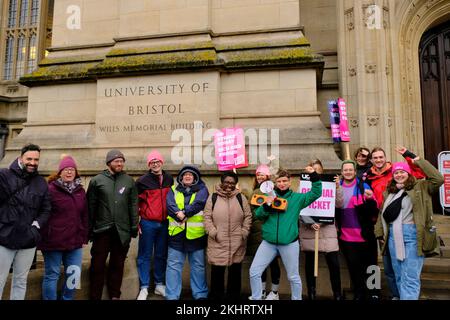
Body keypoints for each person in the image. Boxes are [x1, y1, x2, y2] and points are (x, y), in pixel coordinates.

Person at [375, 153, 443, 300]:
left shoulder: (421, 186)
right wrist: (380, 234)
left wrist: (415, 159)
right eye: (396, 172)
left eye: (402, 172)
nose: (399, 175)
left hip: (413, 235)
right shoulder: (390, 192)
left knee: (410, 276)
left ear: (408, 173)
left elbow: (438, 178)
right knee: (399, 275)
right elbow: (382, 214)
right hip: (392, 235)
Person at [249, 167, 322, 300]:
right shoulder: (267, 196)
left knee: (293, 277)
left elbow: (316, 193)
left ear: (290, 182)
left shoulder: (297, 199)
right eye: (279, 181)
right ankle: (256, 298)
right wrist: (267, 205)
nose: (282, 184)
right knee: (254, 272)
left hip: (289, 243)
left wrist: (314, 175)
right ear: (275, 183)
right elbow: (259, 215)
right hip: (268, 243)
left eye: (284, 181)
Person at [365, 146, 425, 299]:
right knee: (390, 269)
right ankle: (396, 295)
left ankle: (405, 295)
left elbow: (419, 173)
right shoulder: (367, 177)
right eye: (375, 157)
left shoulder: (396, 173)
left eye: (381, 157)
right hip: (382, 225)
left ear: (385, 158)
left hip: (405, 225)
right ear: (371, 160)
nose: (378, 160)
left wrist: (408, 155)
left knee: (408, 271)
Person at [0, 143, 51, 300]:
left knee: (21, 282)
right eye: (29, 158)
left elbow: (46, 209)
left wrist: (36, 227)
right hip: (4, 238)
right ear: (20, 158)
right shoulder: (4, 176)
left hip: (28, 241)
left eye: (36, 160)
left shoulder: (41, 182)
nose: (33, 163)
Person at [87, 149, 138, 300]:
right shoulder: (97, 180)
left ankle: (115, 295)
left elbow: (133, 205)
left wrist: (133, 226)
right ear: (109, 163)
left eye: (122, 161)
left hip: (122, 232)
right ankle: (94, 296)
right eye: (117, 161)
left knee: (117, 265)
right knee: (97, 266)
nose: (120, 163)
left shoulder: (129, 181)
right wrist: (89, 230)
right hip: (102, 231)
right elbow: (90, 206)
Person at [38, 155, 88, 300]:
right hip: (53, 241)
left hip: (75, 241)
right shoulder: (50, 189)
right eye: (66, 169)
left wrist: (84, 236)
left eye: (72, 169)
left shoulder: (80, 191)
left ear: (76, 172)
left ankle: (67, 298)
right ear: (60, 172)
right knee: (52, 274)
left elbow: (85, 216)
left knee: (74, 273)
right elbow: (43, 213)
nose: (69, 172)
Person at [204, 171, 252, 300]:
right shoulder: (213, 197)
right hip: (217, 241)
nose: (229, 185)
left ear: (235, 184)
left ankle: (233, 297)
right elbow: (207, 217)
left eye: (232, 182)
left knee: (235, 273)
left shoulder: (241, 198)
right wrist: (213, 232)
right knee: (217, 273)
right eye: (226, 182)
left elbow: (248, 216)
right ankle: (216, 296)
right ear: (222, 182)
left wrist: (244, 232)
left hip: (237, 241)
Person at [298, 159, 342, 300]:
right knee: (310, 266)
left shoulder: (330, 185)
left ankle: (337, 294)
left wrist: (337, 187)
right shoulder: (303, 186)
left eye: (317, 169)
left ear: (322, 171)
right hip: (309, 231)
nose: (315, 172)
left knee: (334, 265)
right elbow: (300, 208)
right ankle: (311, 293)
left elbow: (339, 205)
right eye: (312, 170)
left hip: (327, 232)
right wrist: (311, 222)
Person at [165, 165, 209, 300]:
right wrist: (178, 214)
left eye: (191, 174)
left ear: (195, 177)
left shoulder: (202, 189)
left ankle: (200, 294)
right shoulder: (173, 189)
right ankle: (172, 295)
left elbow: (199, 203)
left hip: (196, 235)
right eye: (185, 175)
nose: (188, 176)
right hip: (176, 235)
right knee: (173, 267)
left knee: (198, 267)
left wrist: (184, 213)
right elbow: (170, 205)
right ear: (181, 178)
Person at [335, 160, 377, 300]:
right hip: (346, 237)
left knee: (371, 266)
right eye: (345, 170)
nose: (347, 172)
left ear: (355, 172)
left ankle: (374, 293)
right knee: (354, 268)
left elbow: (374, 210)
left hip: (364, 235)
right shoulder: (337, 187)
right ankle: (359, 293)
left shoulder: (363, 186)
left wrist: (370, 199)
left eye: (350, 170)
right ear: (342, 172)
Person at [136, 150, 174, 300]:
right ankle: (144, 287)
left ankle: (159, 284)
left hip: (165, 223)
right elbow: (135, 203)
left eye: (157, 161)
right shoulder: (142, 181)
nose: (155, 163)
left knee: (161, 254)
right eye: (152, 162)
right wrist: (136, 222)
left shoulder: (169, 178)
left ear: (162, 162)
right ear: (149, 165)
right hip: (147, 223)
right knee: (144, 255)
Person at [246, 164, 281, 300]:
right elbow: (250, 211)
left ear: (268, 176)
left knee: (272, 264)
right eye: (258, 174)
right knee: (261, 265)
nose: (260, 176)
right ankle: (261, 292)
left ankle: (274, 292)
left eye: (263, 174)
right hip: (257, 232)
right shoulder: (254, 191)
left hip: (270, 231)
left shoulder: (274, 191)